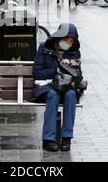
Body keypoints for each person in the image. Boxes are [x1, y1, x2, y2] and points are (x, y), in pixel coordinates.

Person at [32, 23, 83, 152]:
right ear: (59, 37)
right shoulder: (44, 47)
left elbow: (78, 76)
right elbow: (37, 73)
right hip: (47, 86)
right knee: (53, 95)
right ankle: (48, 139)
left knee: (71, 95)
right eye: (65, 40)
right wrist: (57, 69)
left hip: (66, 86)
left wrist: (73, 68)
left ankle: (67, 138)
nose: (68, 43)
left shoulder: (74, 52)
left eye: (71, 41)